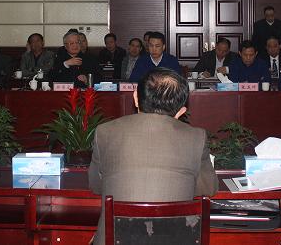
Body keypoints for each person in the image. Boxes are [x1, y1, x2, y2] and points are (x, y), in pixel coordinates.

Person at [88, 67, 219, 245]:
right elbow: (208, 188)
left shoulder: (104, 131)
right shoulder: (196, 136)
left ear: (135, 97)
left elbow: (96, 186)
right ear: (181, 112)